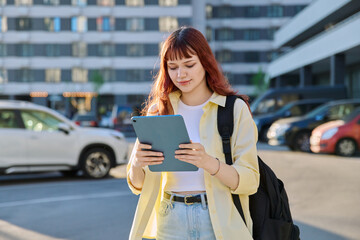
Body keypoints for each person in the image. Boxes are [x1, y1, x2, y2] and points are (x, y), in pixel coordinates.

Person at [127, 26, 259, 240]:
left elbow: (250, 181)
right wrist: (136, 164)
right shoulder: (158, 110)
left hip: (219, 223)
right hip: (169, 219)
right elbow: (137, 185)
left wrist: (208, 162)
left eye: (189, 64)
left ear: (205, 62)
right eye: (173, 67)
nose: (181, 74)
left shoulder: (234, 109)